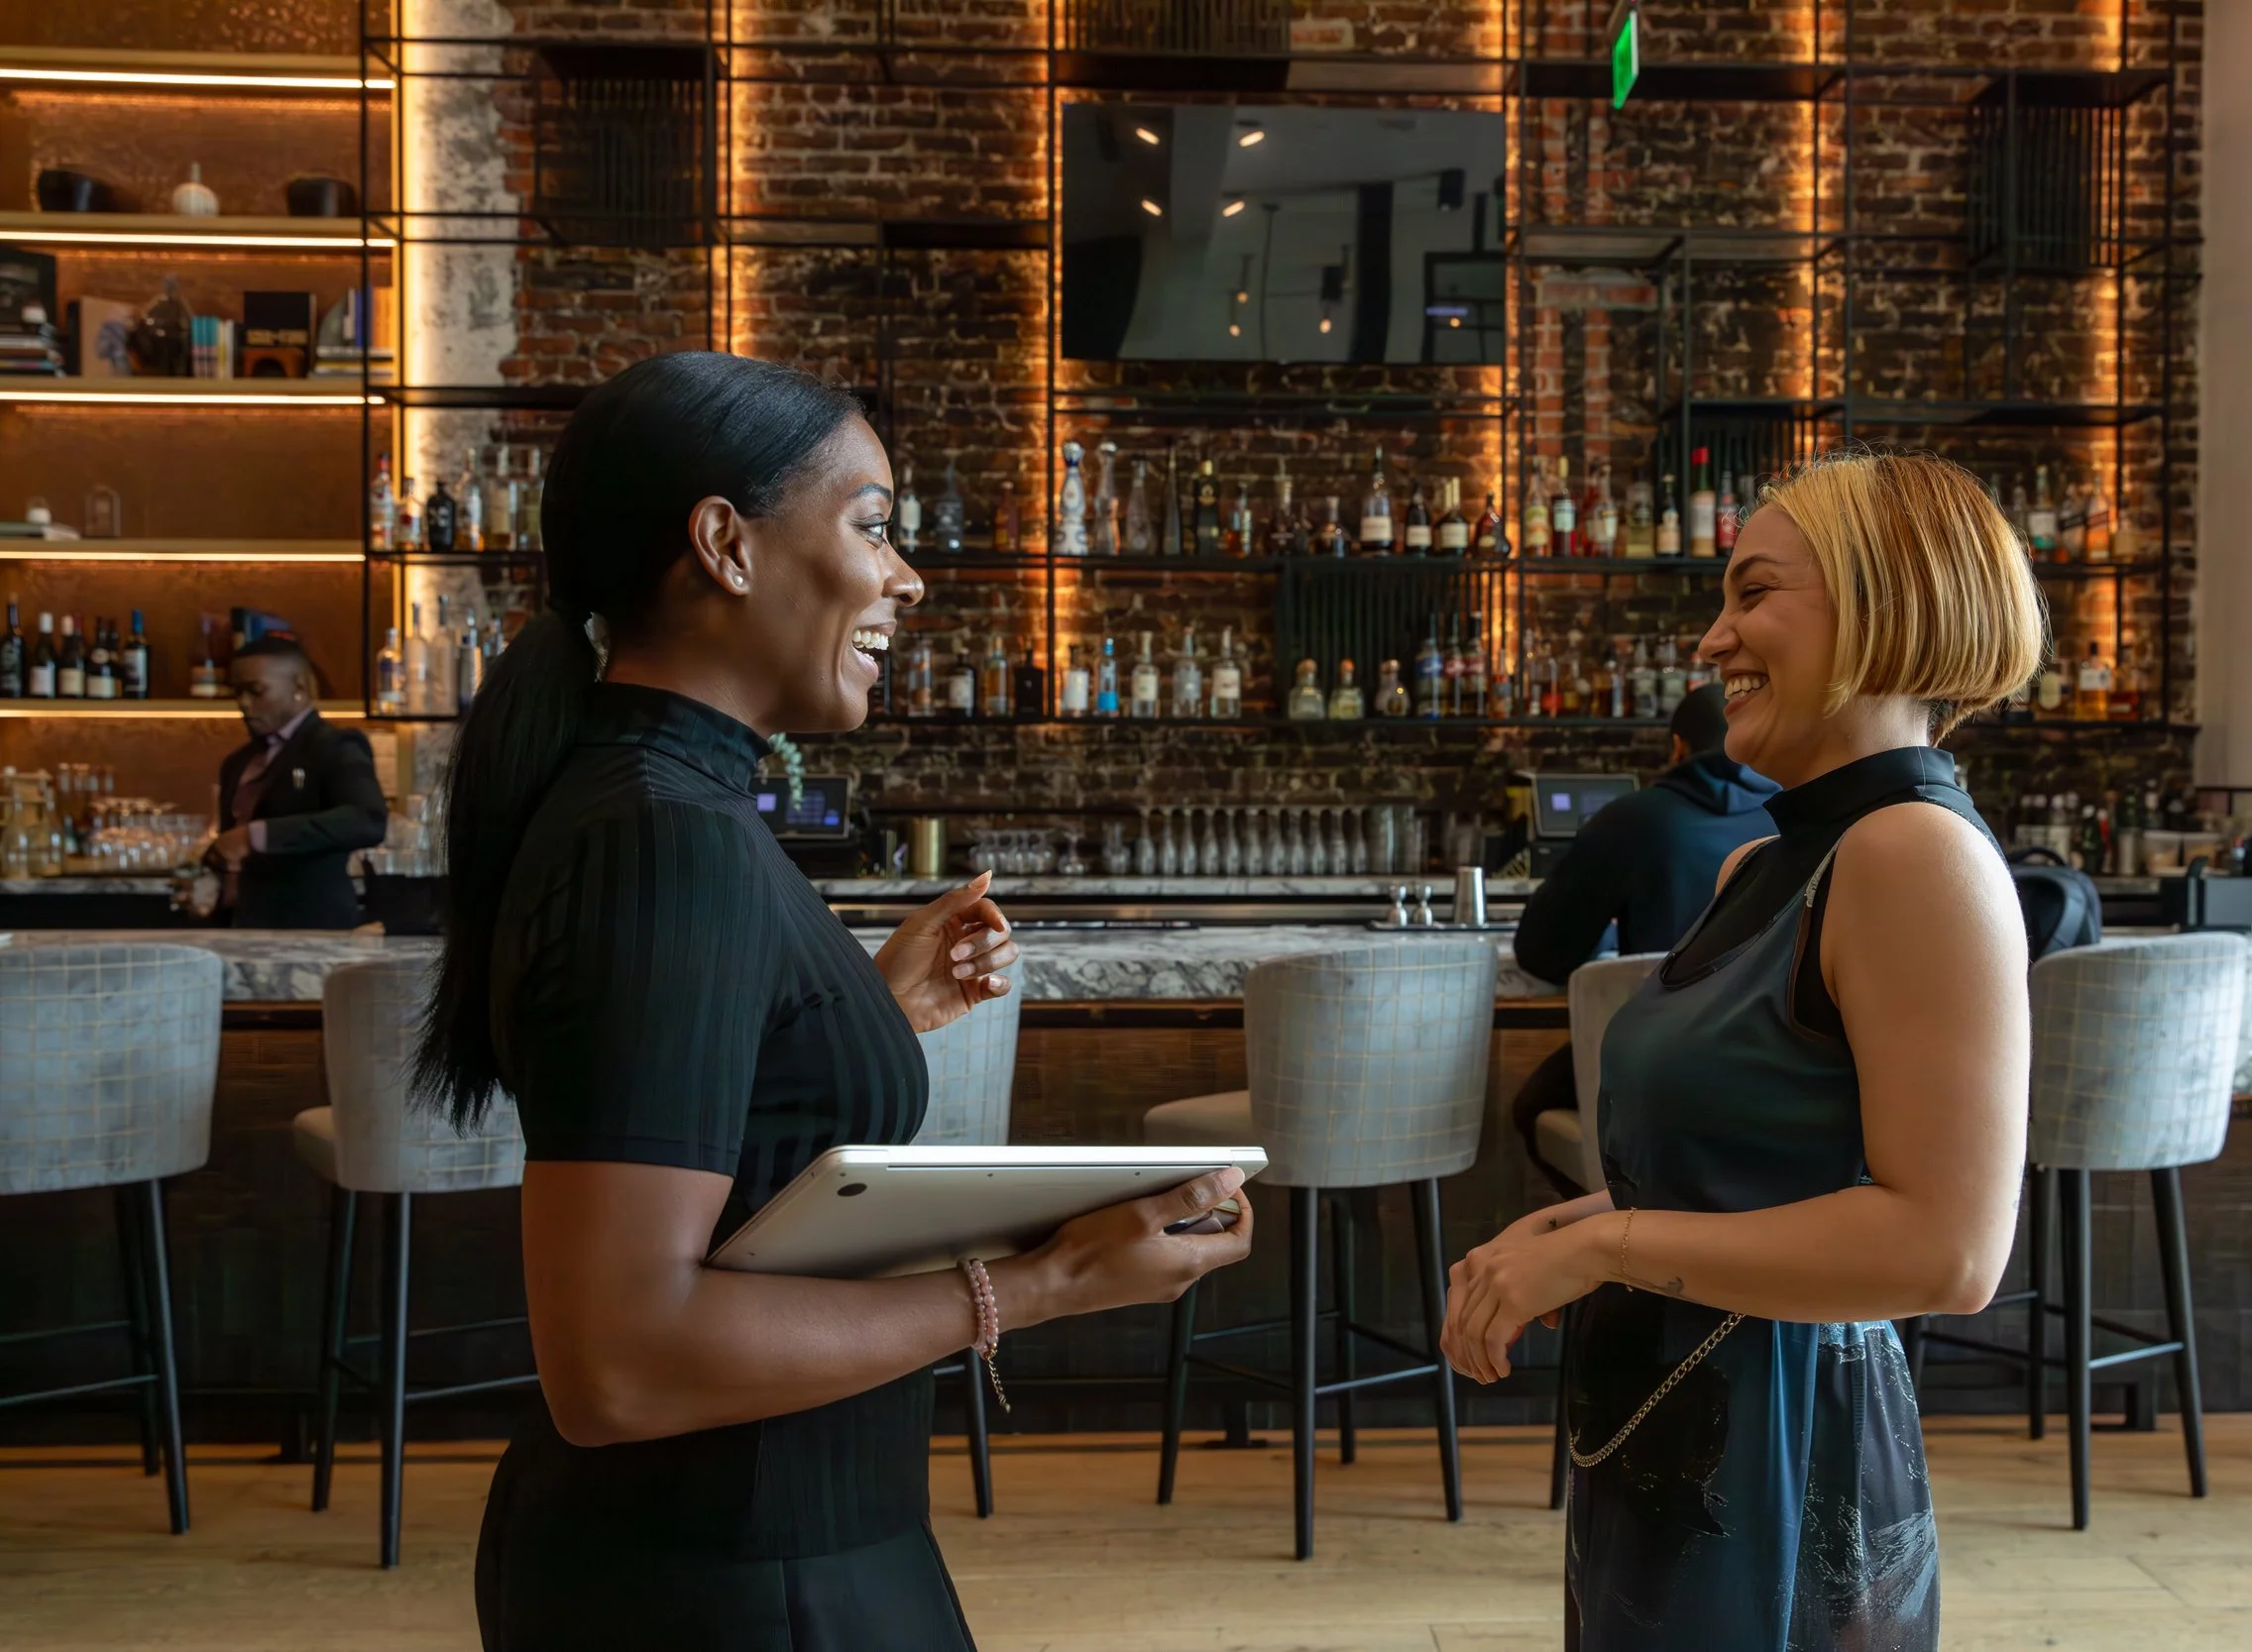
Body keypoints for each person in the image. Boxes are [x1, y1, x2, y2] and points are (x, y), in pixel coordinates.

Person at [412, 352, 1254, 1651]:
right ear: (725, 545)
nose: (907, 575)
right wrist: (1045, 1280)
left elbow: (709, 1138)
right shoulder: (662, 837)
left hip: (748, 1546)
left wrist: (860, 1013)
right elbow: (620, 1361)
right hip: (735, 1575)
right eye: (871, 523)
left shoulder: (660, 806)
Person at [1441, 451, 2040, 1649]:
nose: (1710, 641)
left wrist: (1608, 1240)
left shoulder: (1912, 853)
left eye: (1752, 592)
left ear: (1887, 603)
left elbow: (1946, 1248)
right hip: (1675, 1418)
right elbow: (1765, 1162)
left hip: (1778, 1447)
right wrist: (1568, 1228)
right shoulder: (1761, 866)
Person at [1507, 683, 1778, 1194]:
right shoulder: (1797, 818)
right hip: (1769, 1076)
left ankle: (1615, 1242)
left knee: (1530, 1107)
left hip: (1655, 1063)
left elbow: (1542, 954)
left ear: (1676, 746)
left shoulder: (1632, 819)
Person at [205, 635, 388, 928]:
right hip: (242, 931)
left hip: (313, 930)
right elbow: (232, 849)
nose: (244, 704)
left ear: (299, 687)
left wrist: (259, 835)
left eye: (256, 691)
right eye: (237, 692)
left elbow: (368, 820)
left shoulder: (335, 746)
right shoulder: (236, 762)